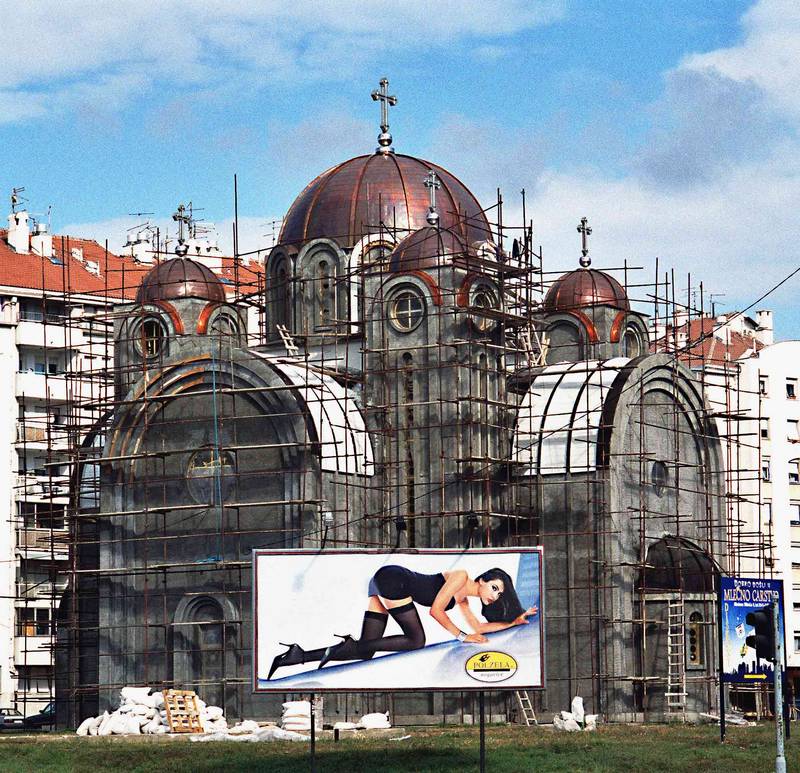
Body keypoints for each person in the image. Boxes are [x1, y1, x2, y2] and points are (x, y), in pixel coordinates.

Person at [267, 565, 537, 679]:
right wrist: (461, 636)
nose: (495, 595)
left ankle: (299, 655)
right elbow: (436, 611)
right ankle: (342, 646)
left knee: (367, 650)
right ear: (482, 580)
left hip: (387, 582)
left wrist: (514, 621)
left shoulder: (463, 600)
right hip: (395, 581)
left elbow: (479, 628)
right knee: (416, 640)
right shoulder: (459, 575)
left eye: (500, 593)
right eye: (494, 587)